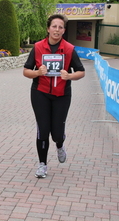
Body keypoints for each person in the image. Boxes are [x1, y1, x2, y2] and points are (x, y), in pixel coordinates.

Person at [23, 14, 85, 178]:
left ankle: (60, 144)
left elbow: (81, 72)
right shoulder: (37, 47)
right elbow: (26, 71)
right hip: (40, 93)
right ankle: (42, 164)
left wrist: (69, 76)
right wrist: (37, 72)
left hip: (62, 95)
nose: (57, 30)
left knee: (56, 132)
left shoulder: (70, 49)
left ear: (64, 30)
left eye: (60, 27)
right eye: (54, 26)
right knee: (43, 130)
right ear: (48, 29)